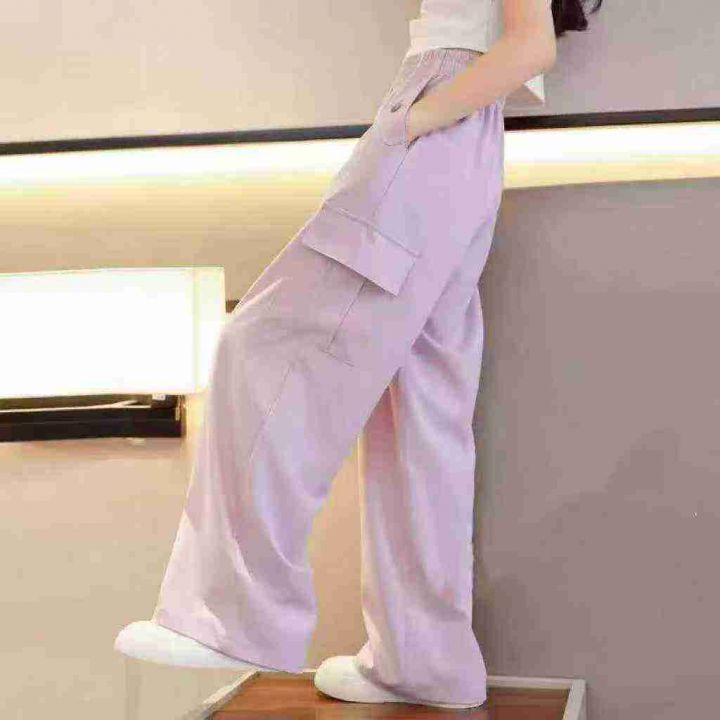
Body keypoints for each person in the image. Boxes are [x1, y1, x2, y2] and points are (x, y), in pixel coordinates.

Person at [114, 0, 602, 710]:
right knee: (420, 404)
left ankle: (231, 617)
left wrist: (413, 122)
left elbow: (531, 47)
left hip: (439, 112)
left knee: (262, 346)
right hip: (466, 140)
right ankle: (424, 659)